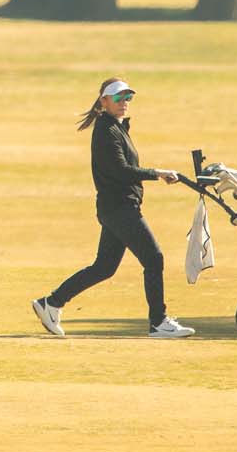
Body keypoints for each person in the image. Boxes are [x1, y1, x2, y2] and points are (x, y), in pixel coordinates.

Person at [31, 77, 195, 338]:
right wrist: (157, 173)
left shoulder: (116, 128)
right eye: (118, 98)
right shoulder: (106, 131)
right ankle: (159, 322)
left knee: (104, 267)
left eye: (128, 98)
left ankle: (50, 303)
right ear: (104, 101)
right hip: (120, 209)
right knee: (154, 258)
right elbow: (121, 171)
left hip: (115, 209)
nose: (124, 103)